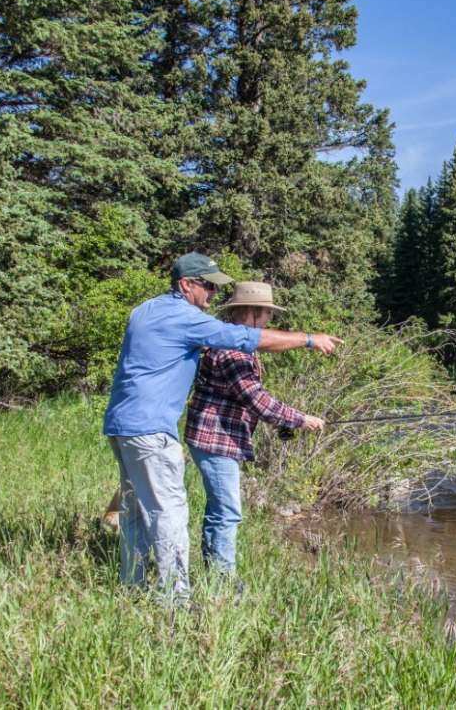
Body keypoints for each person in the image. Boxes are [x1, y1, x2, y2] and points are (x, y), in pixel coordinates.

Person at [103, 253, 341, 600]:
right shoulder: (187, 319)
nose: (212, 294)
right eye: (208, 286)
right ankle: (176, 602)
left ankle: (134, 587)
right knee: (169, 514)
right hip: (152, 430)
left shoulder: (145, 311)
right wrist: (309, 339)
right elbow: (247, 349)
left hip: (121, 425)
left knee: (136, 512)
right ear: (186, 284)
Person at [184, 281, 322, 581]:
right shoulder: (233, 350)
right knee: (227, 512)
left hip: (214, 436)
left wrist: (286, 421)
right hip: (215, 439)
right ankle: (222, 583)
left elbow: (251, 399)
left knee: (220, 509)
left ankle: (215, 577)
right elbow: (255, 398)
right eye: (267, 314)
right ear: (252, 313)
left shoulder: (232, 343)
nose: (270, 320)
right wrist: (301, 419)